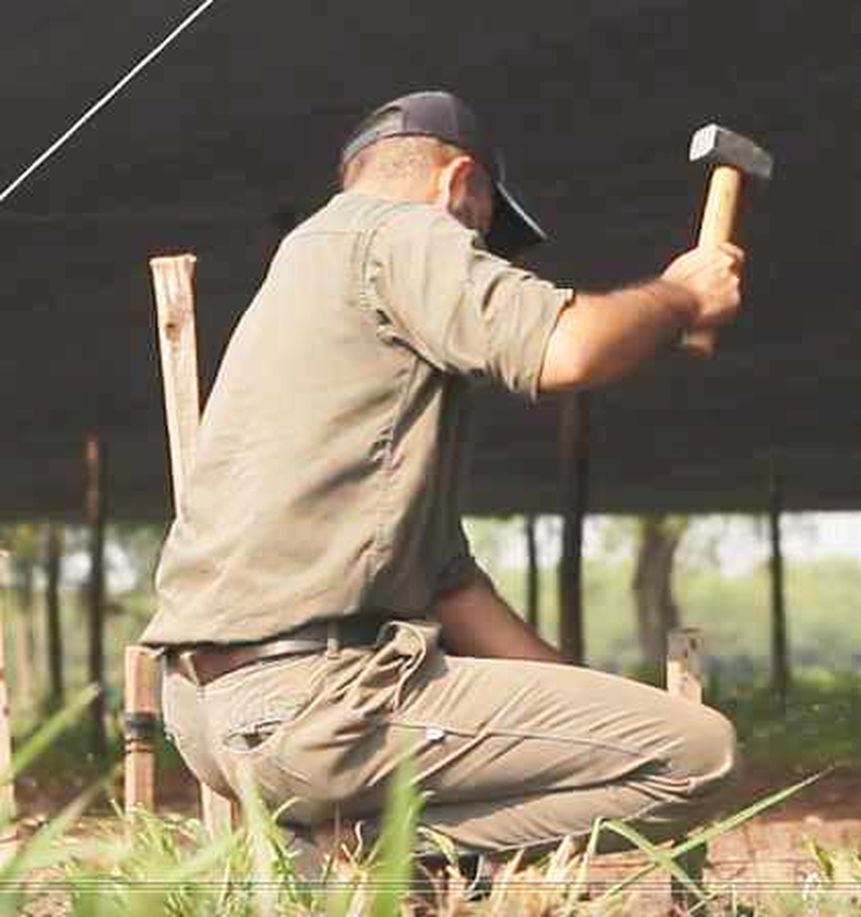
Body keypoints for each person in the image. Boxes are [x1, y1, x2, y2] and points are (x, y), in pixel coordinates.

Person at [141, 90, 743, 857]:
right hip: (315, 702)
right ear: (458, 184)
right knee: (695, 755)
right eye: (485, 235)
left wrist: (584, 705)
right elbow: (571, 350)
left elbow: (449, 586)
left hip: (208, 710)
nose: (480, 257)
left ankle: (346, 847)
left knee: (641, 734)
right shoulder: (399, 233)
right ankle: (354, 853)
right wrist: (683, 295)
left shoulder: (309, 277)